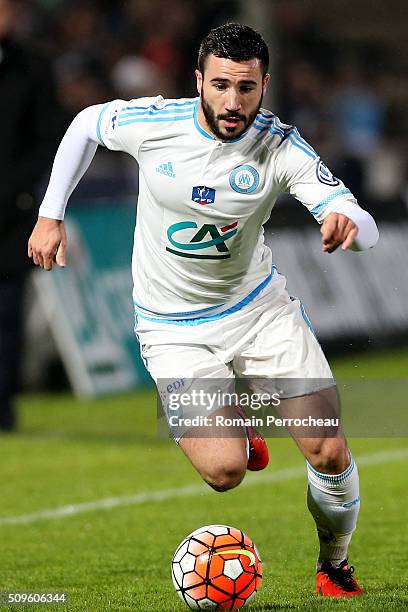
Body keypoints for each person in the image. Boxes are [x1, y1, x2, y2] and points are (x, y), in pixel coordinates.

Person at [28, 24, 379, 597]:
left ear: (265, 84)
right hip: (172, 329)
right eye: (220, 85)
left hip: (259, 311)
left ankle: (334, 564)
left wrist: (347, 225)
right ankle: (240, 431)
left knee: (329, 448)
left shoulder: (281, 145)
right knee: (224, 473)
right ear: (198, 82)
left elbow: (357, 218)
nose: (233, 102)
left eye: (246, 87)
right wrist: (50, 213)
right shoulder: (156, 123)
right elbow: (85, 123)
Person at [0, 0, 63, 431]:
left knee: (6, 316)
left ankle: (2, 406)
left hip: (9, 214)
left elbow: (47, 139)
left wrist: (12, 189)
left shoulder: (31, 69)